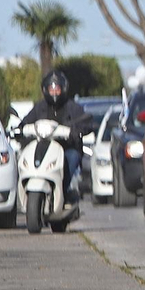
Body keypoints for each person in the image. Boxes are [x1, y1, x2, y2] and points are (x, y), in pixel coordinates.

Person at [16, 70, 93, 202]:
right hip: (42, 147)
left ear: (63, 89)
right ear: (45, 90)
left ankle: (64, 190)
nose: (54, 92)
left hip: (66, 149)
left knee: (72, 157)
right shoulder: (39, 107)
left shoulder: (73, 107)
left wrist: (77, 131)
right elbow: (26, 122)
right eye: (51, 89)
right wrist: (19, 130)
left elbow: (86, 123)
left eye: (57, 89)